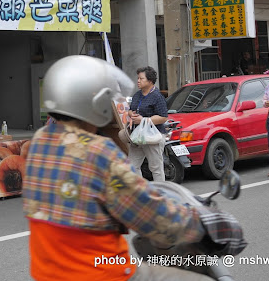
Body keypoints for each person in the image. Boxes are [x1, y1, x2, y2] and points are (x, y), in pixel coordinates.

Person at [24, 56, 214, 280]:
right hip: (102, 274)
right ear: (94, 103)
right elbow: (149, 214)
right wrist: (200, 225)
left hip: (45, 274)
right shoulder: (100, 152)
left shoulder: (38, 143)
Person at [127, 66, 168, 181]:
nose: (138, 81)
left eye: (141, 78)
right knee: (132, 166)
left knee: (155, 168)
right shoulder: (137, 95)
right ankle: (141, 191)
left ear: (150, 81)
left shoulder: (157, 96)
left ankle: (161, 193)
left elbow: (163, 117)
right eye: (138, 78)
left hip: (153, 136)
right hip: (137, 135)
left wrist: (144, 120)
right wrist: (131, 114)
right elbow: (130, 109)